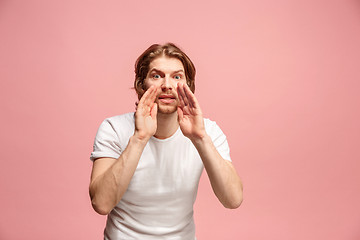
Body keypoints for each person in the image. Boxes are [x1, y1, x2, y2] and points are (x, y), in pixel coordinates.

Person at [89, 43, 243, 239]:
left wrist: (200, 138)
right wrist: (139, 139)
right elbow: (101, 204)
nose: (167, 85)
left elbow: (233, 199)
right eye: (156, 76)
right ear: (141, 84)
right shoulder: (113, 128)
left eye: (177, 77)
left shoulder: (208, 131)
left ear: (189, 86)